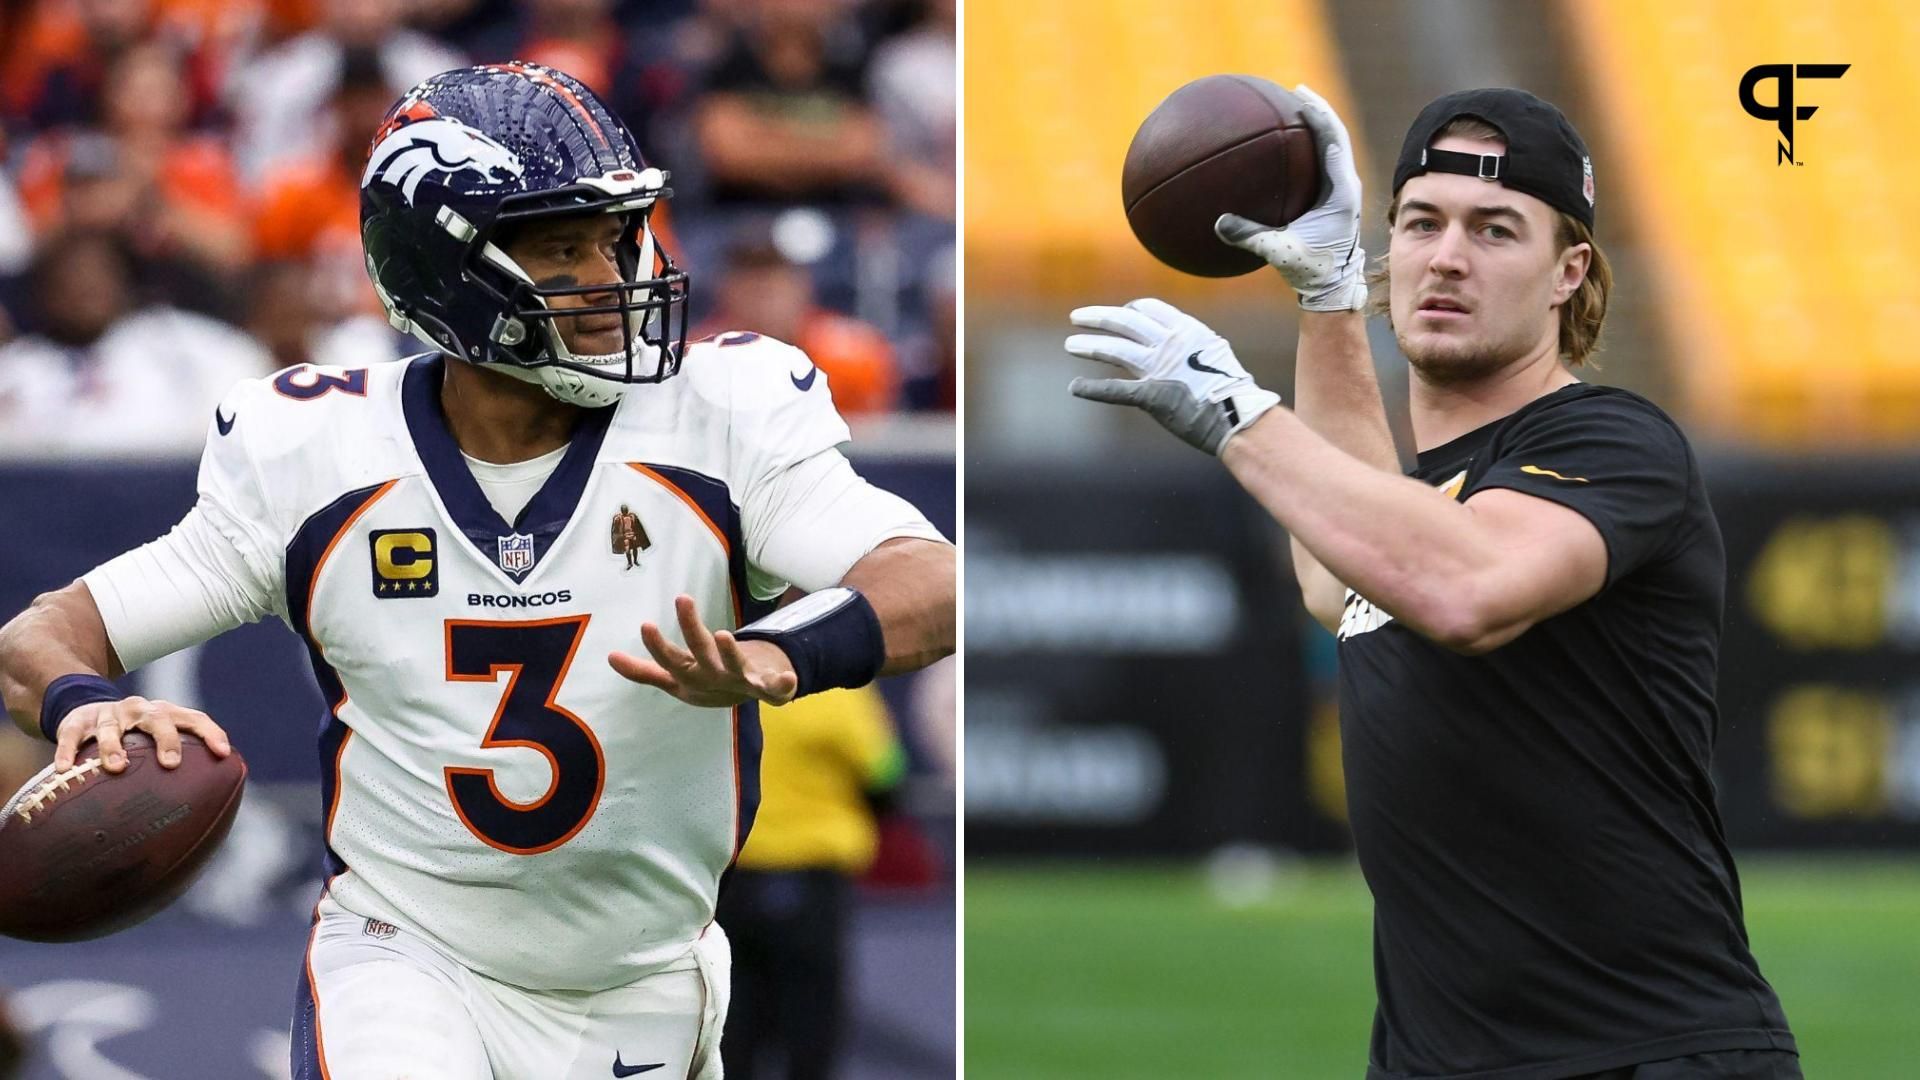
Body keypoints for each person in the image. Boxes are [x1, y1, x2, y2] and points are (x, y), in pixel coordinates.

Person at [0, 61, 954, 1078]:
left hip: (641, 974)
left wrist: (785, 651)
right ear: (443, 267)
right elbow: (40, 635)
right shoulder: (316, 453)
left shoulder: (721, 416)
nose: (611, 274)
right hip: (408, 958)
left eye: (617, 236)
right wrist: (82, 703)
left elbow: (930, 581)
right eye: (562, 247)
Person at [1065, 87, 1798, 1080]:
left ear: (1566, 271)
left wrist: (1238, 413)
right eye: (1421, 223)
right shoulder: (1426, 503)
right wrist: (1325, 299)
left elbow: (1465, 590)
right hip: (1436, 1060)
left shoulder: (1617, 439)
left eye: (1496, 229)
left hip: (1644, 1053)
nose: (1447, 255)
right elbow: (1340, 575)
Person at [716, 684, 905, 1080]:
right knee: (812, 1022)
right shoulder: (838, 692)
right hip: (812, 876)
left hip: (731, 877)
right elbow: (886, 778)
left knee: (733, 1019)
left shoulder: (724, 688)